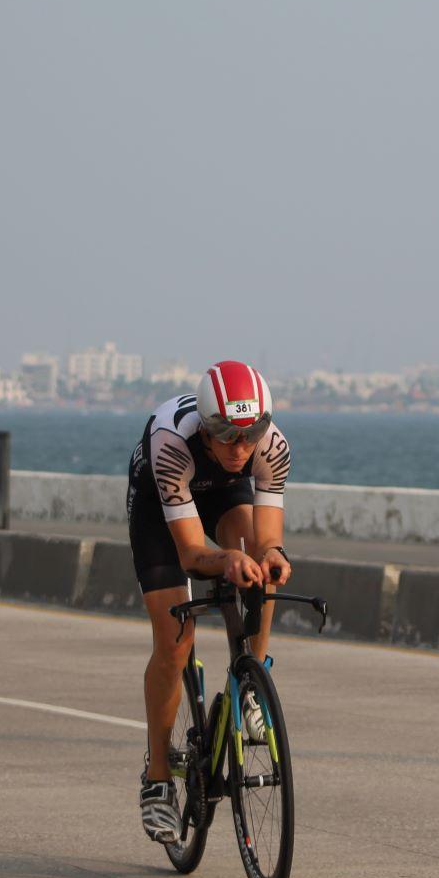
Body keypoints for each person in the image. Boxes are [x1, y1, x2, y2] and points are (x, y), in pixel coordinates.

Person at [127, 360, 293, 843]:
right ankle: (158, 778)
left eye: (250, 435)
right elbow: (191, 553)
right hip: (164, 510)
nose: (241, 448)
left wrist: (271, 556)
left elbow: (267, 539)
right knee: (176, 639)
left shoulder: (270, 447)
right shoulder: (172, 443)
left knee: (261, 569)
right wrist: (224, 562)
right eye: (227, 436)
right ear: (206, 426)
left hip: (223, 495)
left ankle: (252, 678)